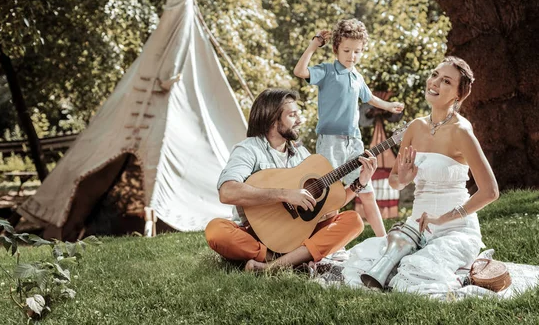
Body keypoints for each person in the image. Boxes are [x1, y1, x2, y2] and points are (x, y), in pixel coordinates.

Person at [342, 56, 500, 294]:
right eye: (434, 74)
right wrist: (404, 179)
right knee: (364, 265)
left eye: (446, 81)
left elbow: (490, 192)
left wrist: (443, 219)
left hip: (455, 230)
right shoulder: (415, 127)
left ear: (458, 95)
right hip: (413, 229)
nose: (435, 82)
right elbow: (395, 181)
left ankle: (461, 274)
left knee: (414, 274)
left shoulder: (462, 131)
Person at [205, 88, 378, 272]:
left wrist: (361, 182)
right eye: (292, 115)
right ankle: (287, 259)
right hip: (257, 235)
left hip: (298, 234)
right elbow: (227, 191)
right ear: (273, 119)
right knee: (216, 230)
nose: (299, 120)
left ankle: (271, 266)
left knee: (353, 221)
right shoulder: (248, 149)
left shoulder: (301, 154)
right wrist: (285, 195)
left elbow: (332, 202)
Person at [293, 18, 404, 236]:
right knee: (330, 197)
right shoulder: (326, 71)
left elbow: (370, 98)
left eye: (357, 51)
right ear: (336, 48)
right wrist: (313, 45)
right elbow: (300, 71)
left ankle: (384, 241)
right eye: (347, 50)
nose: (352, 56)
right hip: (330, 142)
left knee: (367, 191)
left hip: (354, 142)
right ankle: (325, 243)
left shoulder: (357, 77)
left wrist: (389, 106)